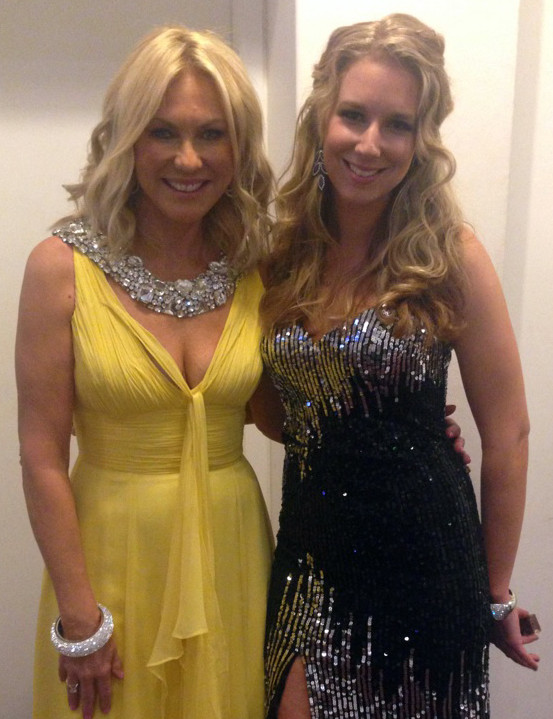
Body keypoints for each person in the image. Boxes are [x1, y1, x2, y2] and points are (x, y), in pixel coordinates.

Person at [258, 13, 540, 719]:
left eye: (397, 125)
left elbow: (508, 433)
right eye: (353, 115)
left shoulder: (450, 254)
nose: (369, 143)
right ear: (321, 115)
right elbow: (267, 409)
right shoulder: (279, 253)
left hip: (424, 563)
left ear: (421, 140)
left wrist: (495, 592)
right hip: (310, 552)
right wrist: (367, 427)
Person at [15, 26, 276, 719]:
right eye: (163, 133)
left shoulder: (256, 267)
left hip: (233, 556)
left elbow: (284, 418)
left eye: (212, 134)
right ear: (128, 139)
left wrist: (395, 417)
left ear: (239, 146)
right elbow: (41, 456)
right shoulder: (59, 268)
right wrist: (80, 616)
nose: (189, 159)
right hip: (110, 561)